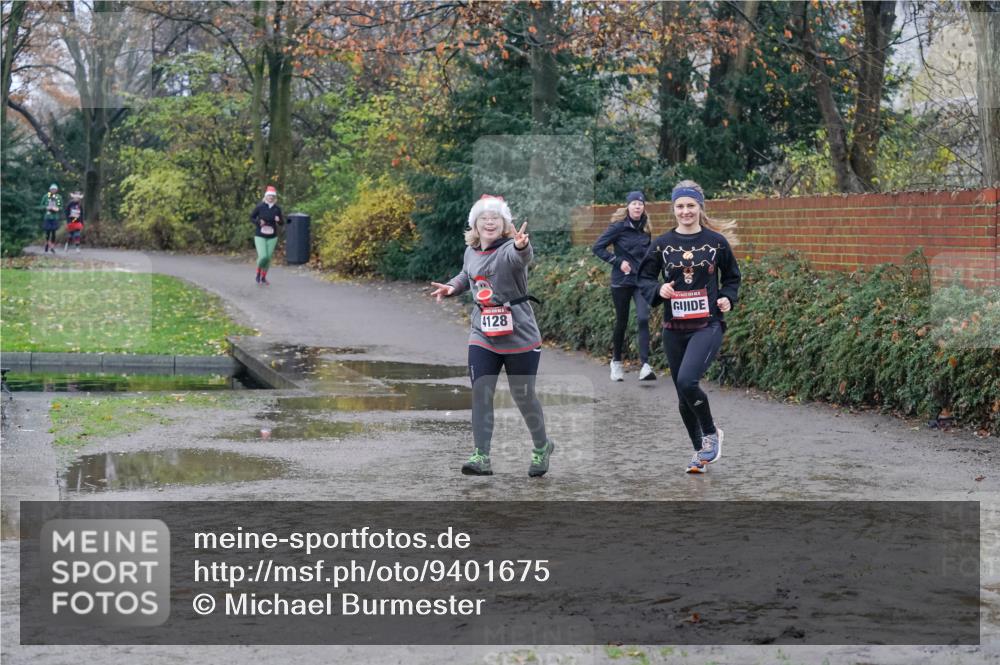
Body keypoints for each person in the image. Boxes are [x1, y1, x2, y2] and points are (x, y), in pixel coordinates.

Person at [429, 195, 555, 477]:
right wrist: (452, 287)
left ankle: (541, 447)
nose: (489, 222)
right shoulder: (471, 251)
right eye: (484, 218)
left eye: (495, 218)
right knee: (481, 393)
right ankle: (481, 456)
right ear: (475, 223)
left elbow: (520, 256)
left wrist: (523, 245)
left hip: (519, 334)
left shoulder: (510, 247)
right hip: (483, 332)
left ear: (504, 224)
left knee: (523, 396)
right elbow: (466, 274)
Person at [638, 180, 741, 474]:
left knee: (687, 382)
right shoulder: (661, 245)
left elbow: (733, 278)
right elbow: (644, 280)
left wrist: (726, 298)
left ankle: (711, 434)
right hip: (673, 328)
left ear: (700, 207)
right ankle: (701, 453)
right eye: (680, 206)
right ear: (674, 209)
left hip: (707, 325)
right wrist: (659, 291)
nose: (685, 211)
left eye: (690, 206)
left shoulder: (716, 242)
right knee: (683, 395)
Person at [591, 190, 655, 382]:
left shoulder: (646, 228)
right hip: (621, 281)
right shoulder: (618, 227)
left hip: (641, 281)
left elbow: (649, 255)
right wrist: (618, 262)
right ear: (627, 206)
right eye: (634, 203)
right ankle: (616, 362)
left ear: (644, 207)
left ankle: (645, 365)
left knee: (643, 318)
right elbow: (597, 248)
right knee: (622, 322)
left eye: (640, 203)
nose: (637, 206)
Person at [250, 185, 283, 285]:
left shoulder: (277, 209)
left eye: (273, 196)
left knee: (268, 258)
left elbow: (282, 222)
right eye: (269, 196)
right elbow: (251, 217)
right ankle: (258, 273)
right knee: (263, 256)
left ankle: (263, 277)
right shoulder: (260, 206)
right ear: (266, 196)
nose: (271, 198)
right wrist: (258, 221)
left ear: (275, 198)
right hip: (260, 235)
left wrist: (279, 220)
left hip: (272, 236)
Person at [40, 183, 62, 254]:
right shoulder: (46, 196)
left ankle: (52, 246)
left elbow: (60, 206)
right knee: (47, 231)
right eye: (52, 189)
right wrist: (46, 207)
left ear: (57, 190)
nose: (53, 191)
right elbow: (41, 206)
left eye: (55, 189)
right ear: (50, 190)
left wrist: (57, 209)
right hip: (47, 217)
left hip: (55, 217)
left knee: (53, 232)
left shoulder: (58, 197)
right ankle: (47, 243)